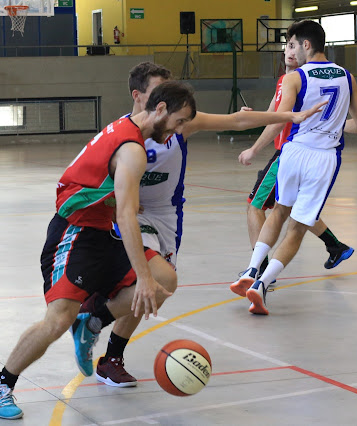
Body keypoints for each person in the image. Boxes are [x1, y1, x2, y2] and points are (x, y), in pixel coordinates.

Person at [80, 61, 327, 388]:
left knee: (156, 292)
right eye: (158, 92)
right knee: (157, 280)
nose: (167, 99)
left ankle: (110, 354)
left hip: (167, 217)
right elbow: (93, 180)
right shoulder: (121, 133)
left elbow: (238, 119)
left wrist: (289, 117)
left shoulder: (181, 125)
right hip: (132, 215)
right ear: (139, 97)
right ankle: (94, 315)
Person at [0, 80, 197, 420]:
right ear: (159, 110)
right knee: (58, 320)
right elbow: (127, 216)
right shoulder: (133, 149)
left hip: (100, 229)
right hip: (75, 232)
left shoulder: (128, 129)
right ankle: (1, 384)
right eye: (180, 121)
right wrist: (140, 277)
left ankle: (94, 319)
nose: (179, 130)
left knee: (164, 279)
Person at [236, 20, 357, 315]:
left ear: (306, 45)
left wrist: (250, 120)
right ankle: (262, 284)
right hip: (324, 158)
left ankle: (252, 269)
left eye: (293, 43)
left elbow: (279, 119)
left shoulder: (295, 78)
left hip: (294, 152)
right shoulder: (347, 77)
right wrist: (331, 127)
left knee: (278, 212)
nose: (290, 49)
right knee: (297, 228)